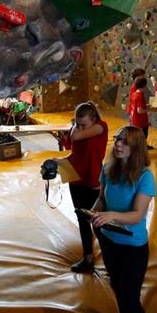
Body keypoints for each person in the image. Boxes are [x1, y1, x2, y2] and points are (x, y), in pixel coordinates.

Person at [91, 126, 155, 313]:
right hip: (109, 240)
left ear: (136, 147)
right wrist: (94, 211)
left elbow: (136, 215)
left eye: (125, 141)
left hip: (132, 247)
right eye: (117, 139)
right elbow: (102, 198)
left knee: (130, 300)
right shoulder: (108, 168)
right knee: (118, 288)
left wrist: (111, 215)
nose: (118, 144)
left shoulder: (145, 177)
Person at [62, 101, 109, 273]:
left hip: (93, 181)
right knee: (82, 220)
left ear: (94, 118)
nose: (80, 128)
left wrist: (75, 126)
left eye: (83, 124)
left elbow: (75, 136)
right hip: (76, 179)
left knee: (97, 222)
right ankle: (88, 257)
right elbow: (75, 153)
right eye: (78, 124)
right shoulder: (81, 130)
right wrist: (59, 162)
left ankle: (111, 260)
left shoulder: (100, 127)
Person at [129, 77, 150, 142]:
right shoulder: (140, 96)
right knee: (142, 139)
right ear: (143, 86)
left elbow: (136, 107)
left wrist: (146, 106)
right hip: (141, 122)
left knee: (137, 139)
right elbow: (139, 110)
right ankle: (141, 151)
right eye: (146, 85)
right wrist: (150, 109)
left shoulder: (134, 94)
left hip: (134, 121)